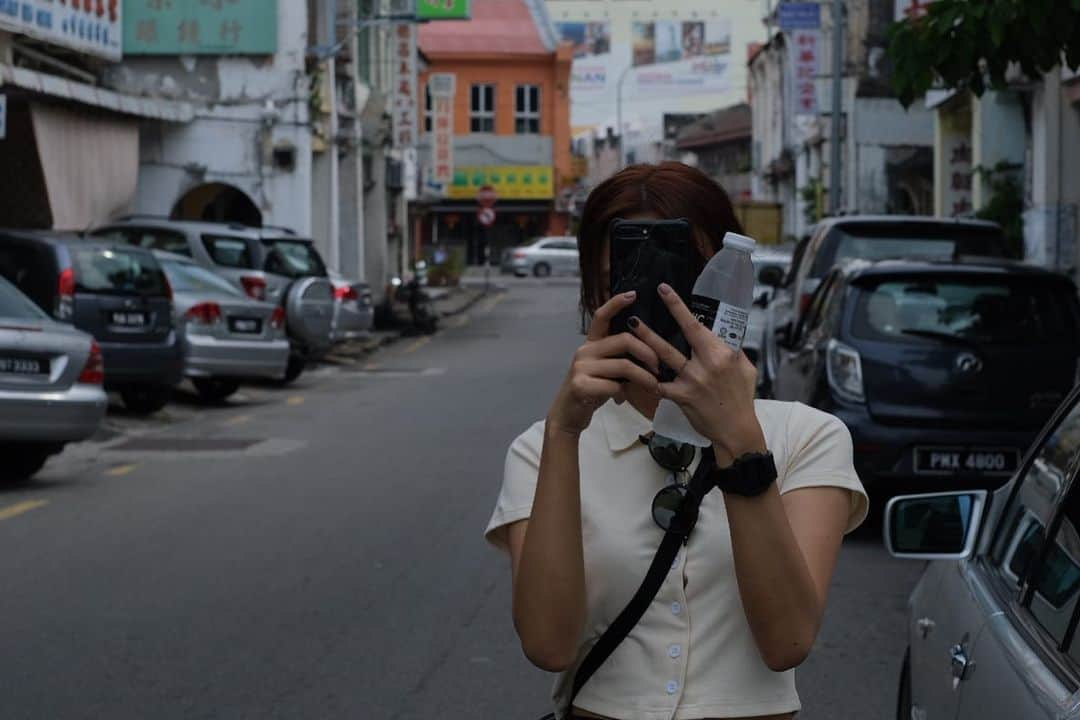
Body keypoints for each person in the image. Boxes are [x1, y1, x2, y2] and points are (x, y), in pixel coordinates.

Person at [485, 162, 868, 720]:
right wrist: (565, 432)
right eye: (633, 278)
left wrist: (737, 438)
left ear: (728, 284)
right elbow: (548, 646)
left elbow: (788, 641)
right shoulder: (543, 448)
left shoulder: (807, 437)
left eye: (688, 279)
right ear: (598, 290)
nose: (666, 305)